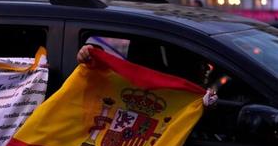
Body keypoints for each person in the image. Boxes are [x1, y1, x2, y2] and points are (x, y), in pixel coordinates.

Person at [77, 44, 218, 107]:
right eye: (200, 63)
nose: (207, 68)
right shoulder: (123, 93)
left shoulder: (194, 101)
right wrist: (91, 56)